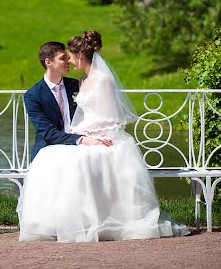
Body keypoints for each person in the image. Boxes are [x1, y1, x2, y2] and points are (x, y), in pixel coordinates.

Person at [17, 31, 190, 242]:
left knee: (83, 160)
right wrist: (82, 139)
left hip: (91, 137)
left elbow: (104, 114)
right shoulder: (33, 95)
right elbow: (48, 132)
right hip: (58, 143)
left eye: (69, 56)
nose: (68, 62)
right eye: (63, 58)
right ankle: (54, 223)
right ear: (48, 62)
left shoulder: (77, 83)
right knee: (53, 160)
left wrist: (88, 137)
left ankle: (92, 221)